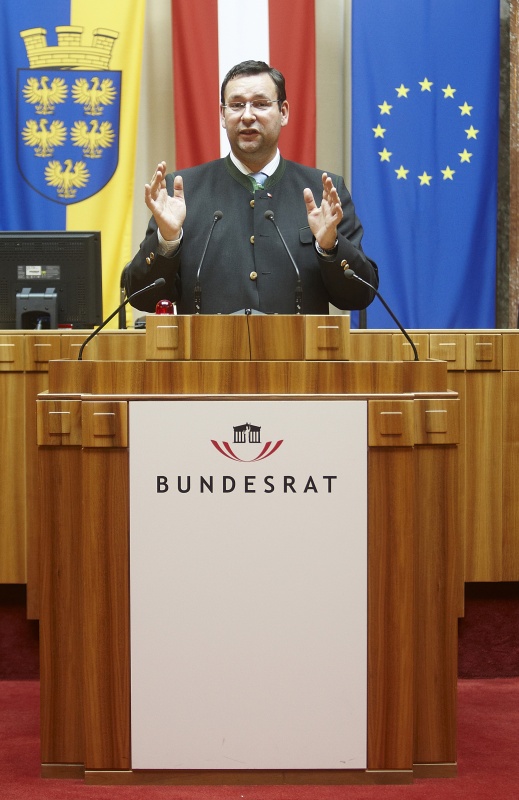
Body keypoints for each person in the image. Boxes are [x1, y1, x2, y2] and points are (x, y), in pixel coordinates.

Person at [125, 60, 378, 315]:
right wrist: (167, 242)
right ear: (223, 116)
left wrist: (329, 246)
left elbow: (360, 295)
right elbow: (142, 298)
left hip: (300, 354)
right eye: (236, 105)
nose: (247, 116)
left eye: (260, 103)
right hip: (208, 354)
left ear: (284, 112)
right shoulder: (183, 192)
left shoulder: (323, 192)